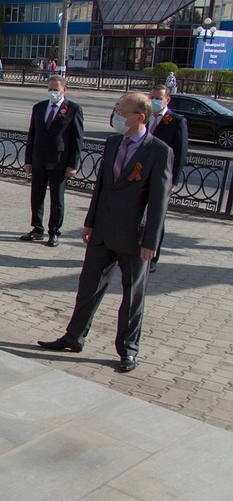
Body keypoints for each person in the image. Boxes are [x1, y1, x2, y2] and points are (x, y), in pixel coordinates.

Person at [38, 92, 172, 372]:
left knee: (132, 296)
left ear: (140, 117)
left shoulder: (158, 151)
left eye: (122, 112)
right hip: (102, 232)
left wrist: (152, 241)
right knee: (88, 287)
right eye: (117, 109)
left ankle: (128, 349)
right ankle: (74, 337)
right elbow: (101, 188)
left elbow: (159, 202)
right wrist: (89, 222)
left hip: (135, 239)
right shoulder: (113, 143)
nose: (116, 115)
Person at [20, 75, 85, 247]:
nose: (53, 92)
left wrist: (73, 164)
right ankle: (37, 228)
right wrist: (28, 160)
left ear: (64, 90)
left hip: (59, 162)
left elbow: (77, 140)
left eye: (56, 89)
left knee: (57, 199)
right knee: (36, 196)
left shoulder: (73, 109)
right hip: (39, 159)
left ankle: (54, 231)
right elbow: (32, 134)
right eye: (50, 89)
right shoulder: (39, 108)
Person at [147, 83, 188, 272]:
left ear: (167, 100)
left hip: (162, 178)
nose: (154, 101)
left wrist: (173, 181)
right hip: (140, 174)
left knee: (156, 218)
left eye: (158, 98)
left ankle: (152, 258)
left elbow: (180, 154)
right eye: (152, 97)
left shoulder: (176, 121)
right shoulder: (144, 116)